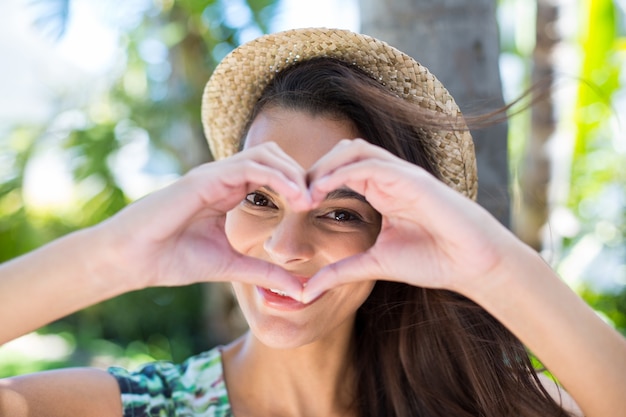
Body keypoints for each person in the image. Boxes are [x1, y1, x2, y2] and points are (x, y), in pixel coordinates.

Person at [0, 27, 624, 417]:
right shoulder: (137, 410)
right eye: (262, 199)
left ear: (395, 234)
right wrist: (109, 257)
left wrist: (493, 267)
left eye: (339, 212)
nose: (286, 246)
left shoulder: (479, 405)